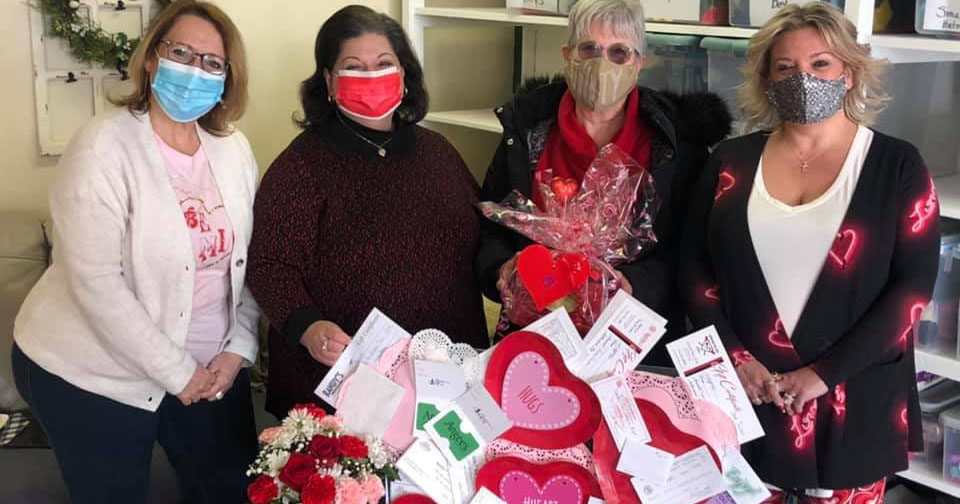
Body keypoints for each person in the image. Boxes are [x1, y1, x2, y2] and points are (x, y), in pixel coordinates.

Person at [680, 3, 939, 501]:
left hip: (853, 400)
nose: (803, 78)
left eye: (820, 63)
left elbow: (912, 287)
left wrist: (823, 374)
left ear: (849, 71)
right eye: (785, 67)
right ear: (766, 79)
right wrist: (737, 358)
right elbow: (694, 270)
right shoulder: (729, 162)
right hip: (747, 397)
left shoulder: (895, 164)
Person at [11, 2, 260, 502]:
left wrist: (239, 347)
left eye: (212, 63)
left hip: (211, 367)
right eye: (181, 52)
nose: (195, 70)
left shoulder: (233, 149)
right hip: (93, 371)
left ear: (227, 77)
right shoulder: (102, 146)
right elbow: (97, 284)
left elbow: (247, 261)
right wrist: (178, 372)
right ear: (151, 59)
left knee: (234, 490)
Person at [246, 5, 486, 419]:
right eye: (353, 67)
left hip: (444, 372)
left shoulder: (439, 153)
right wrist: (307, 326)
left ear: (405, 73)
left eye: (384, 64)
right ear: (328, 80)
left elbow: (477, 239)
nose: (371, 76)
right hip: (345, 383)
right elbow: (269, 264)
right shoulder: (302, 165)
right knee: (358, 484)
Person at [475, 0, 731, 362]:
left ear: (639, 63)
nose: (602, 63)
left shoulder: (676, 145)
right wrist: (501, 269)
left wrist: (636, 284)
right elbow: (493, 225)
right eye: (589, 49)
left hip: (632, 337)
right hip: (537, 327)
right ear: (567, 55)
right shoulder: (526, 133)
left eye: (619, 52)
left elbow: (693, 251)